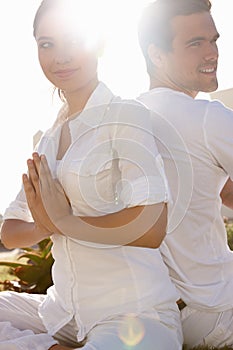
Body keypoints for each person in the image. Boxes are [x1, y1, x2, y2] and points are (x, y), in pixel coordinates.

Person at [0, 0, 183, 349]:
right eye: (47, 44)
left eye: (73, 40)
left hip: (132, 316)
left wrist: (66, 220)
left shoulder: (125, 116)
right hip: (61, 314)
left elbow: (151, 226)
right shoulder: (50, 138)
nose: (60, 56)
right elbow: (9, 232)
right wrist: (45, 225)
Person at [137, 0, 233, 348]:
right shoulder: (206, 117)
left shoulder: (128, 115)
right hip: (222, 308)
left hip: (162, 316)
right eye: (196, 44)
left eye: (214, 40)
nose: (212, 54)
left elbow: (220, 192)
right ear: (157, 55)